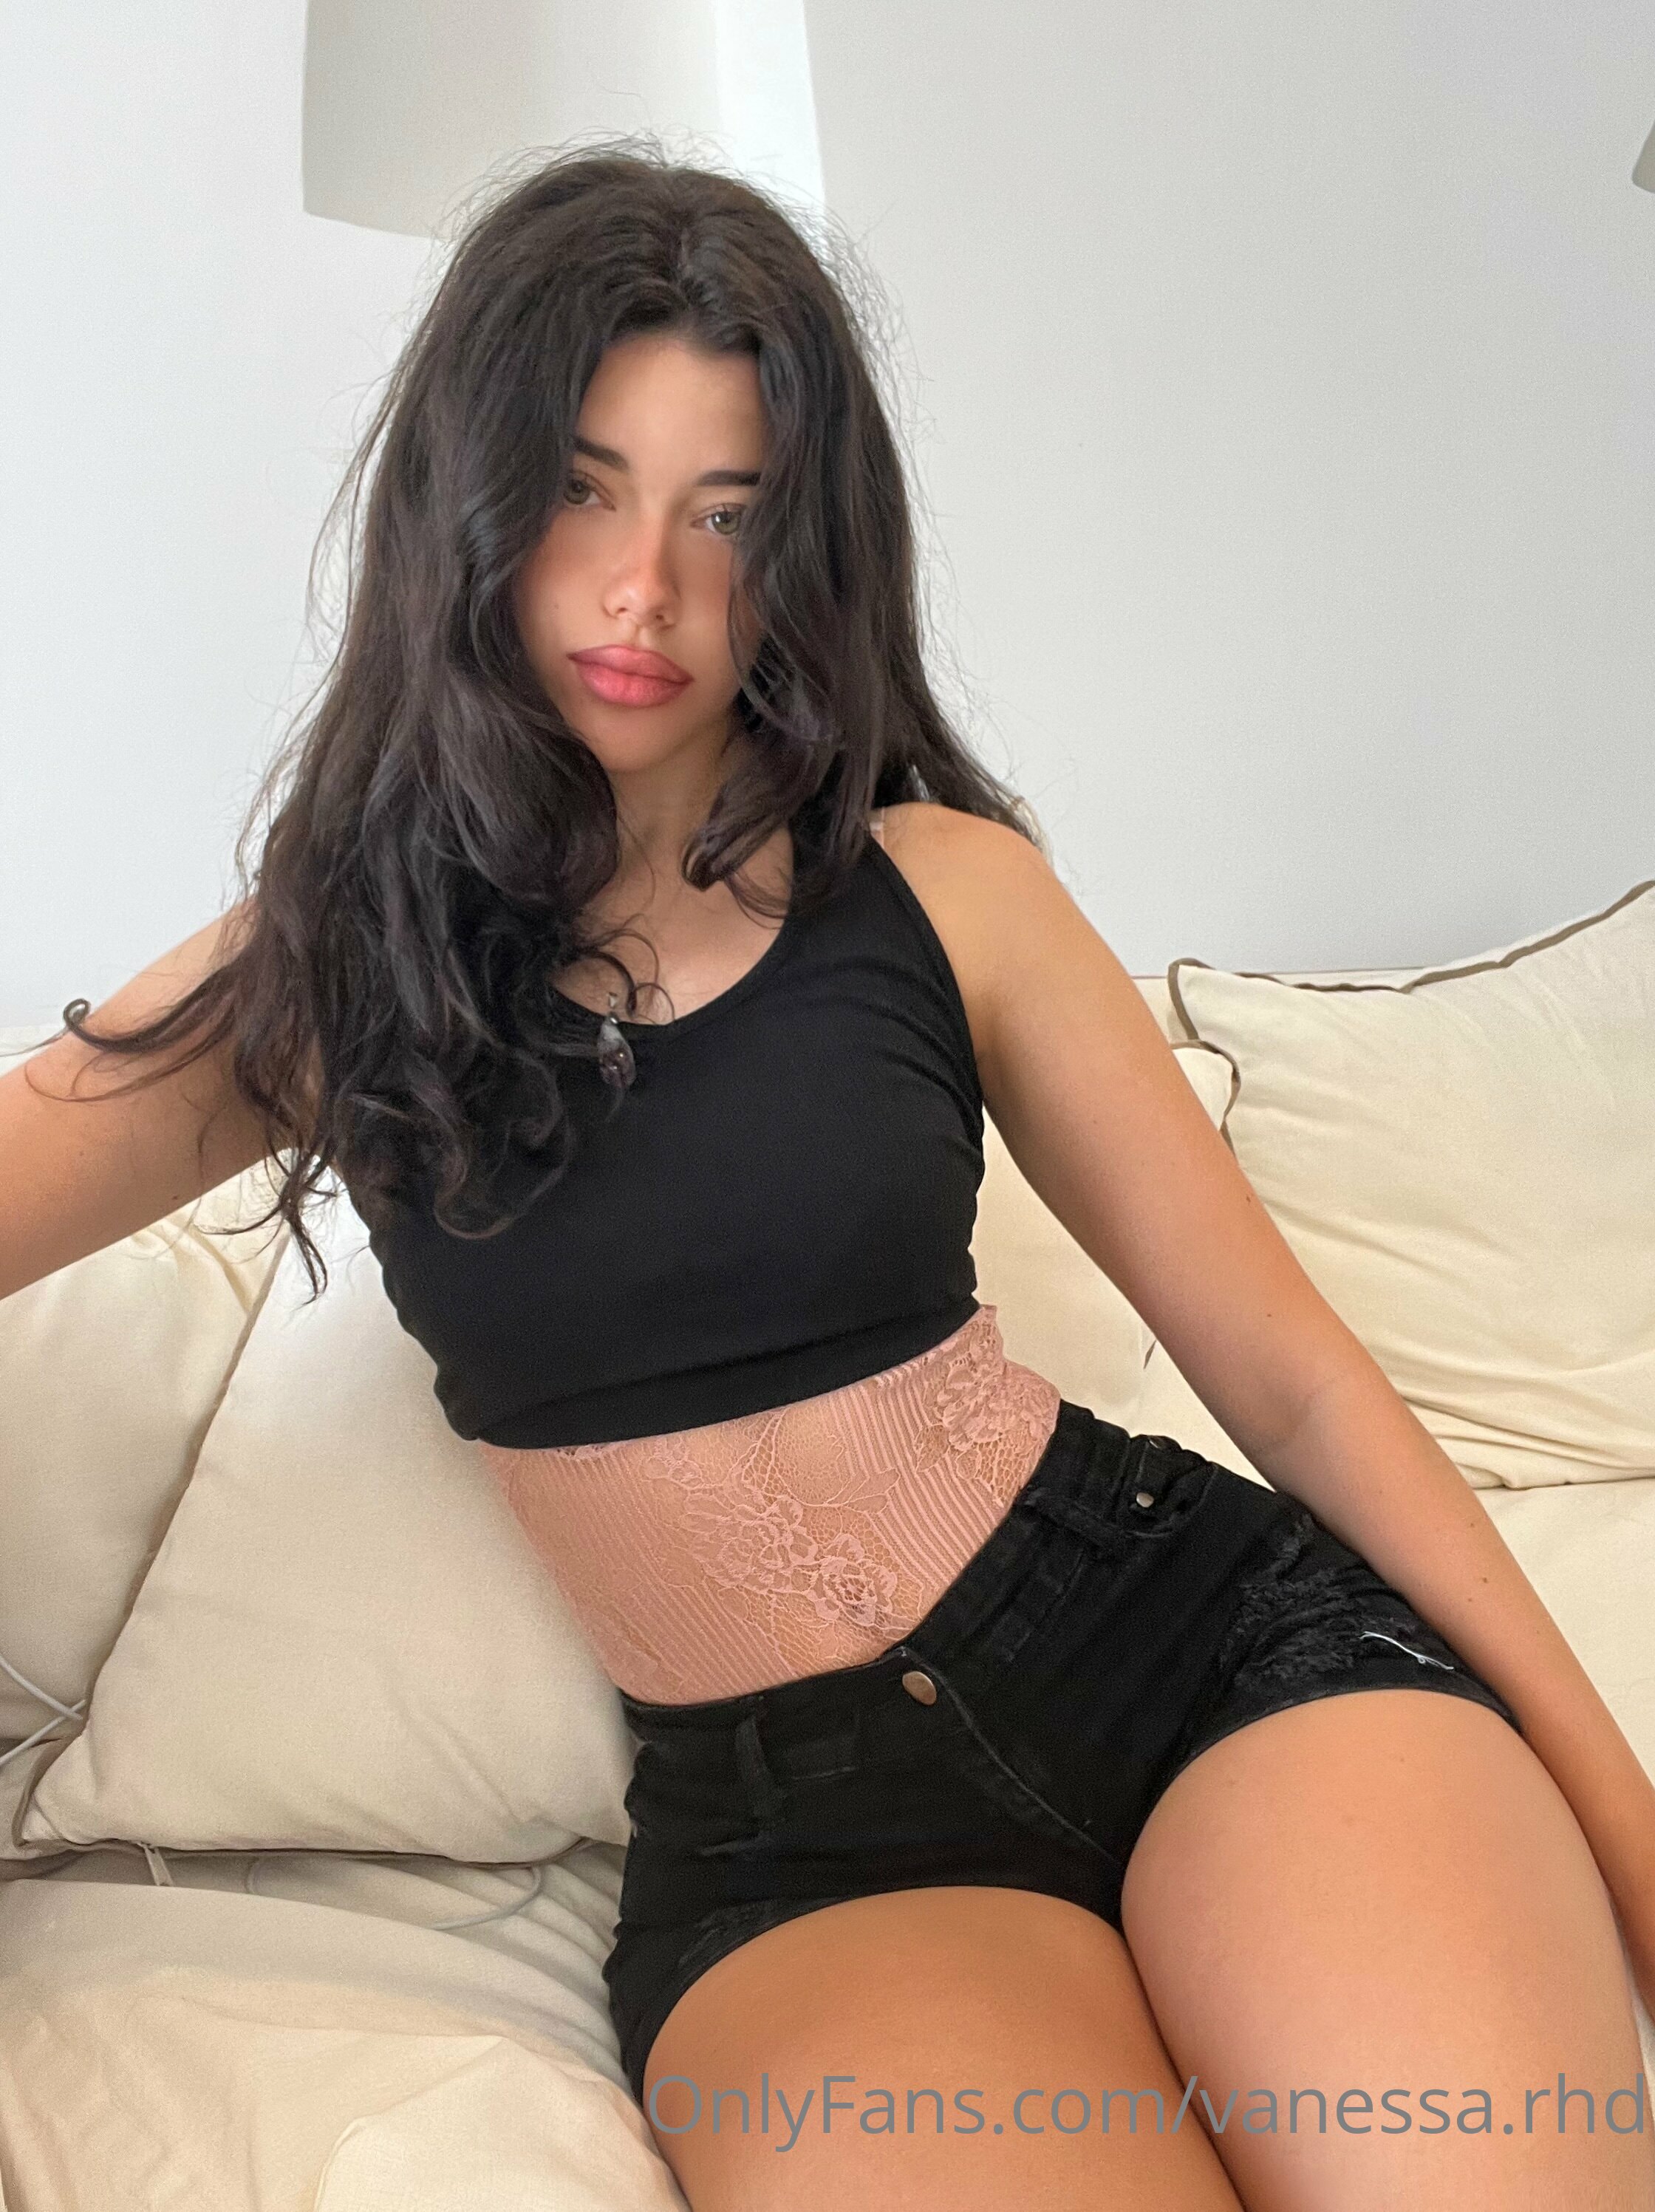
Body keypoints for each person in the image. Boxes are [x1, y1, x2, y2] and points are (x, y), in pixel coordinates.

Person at [5, 142, 1652, 2212]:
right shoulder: (338, 967)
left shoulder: (949, 892)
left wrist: (1631, 1836)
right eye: (585, 490)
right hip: (807, 1854)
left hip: (1208, 1658)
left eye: (730, 514)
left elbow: (1299, 1386)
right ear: (468, 508)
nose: (647, 590)